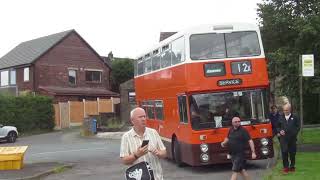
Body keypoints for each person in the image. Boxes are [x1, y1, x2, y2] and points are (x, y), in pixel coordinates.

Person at [120, 107, 167, 180]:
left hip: (157, 177)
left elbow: (164, 152)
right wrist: (136, 155)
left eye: (144, 116)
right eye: (140, 117)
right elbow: (124, 160)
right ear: (132, 120)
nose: (143, 119)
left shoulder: (153, 132)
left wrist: (159, 153)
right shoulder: (126, 137)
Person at [277, 103, 300, 174]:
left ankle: (292, 167)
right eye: (284, 110)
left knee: (292, 153)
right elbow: (277, 126)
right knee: (284, 153)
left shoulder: (295, 117)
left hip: (292, 139)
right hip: (283, 139)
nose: (285, 111)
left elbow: (298, 127)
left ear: (290, 109)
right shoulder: (280, 117)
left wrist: (294, 133)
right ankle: (286, 168)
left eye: (286, 110)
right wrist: (280, 131)